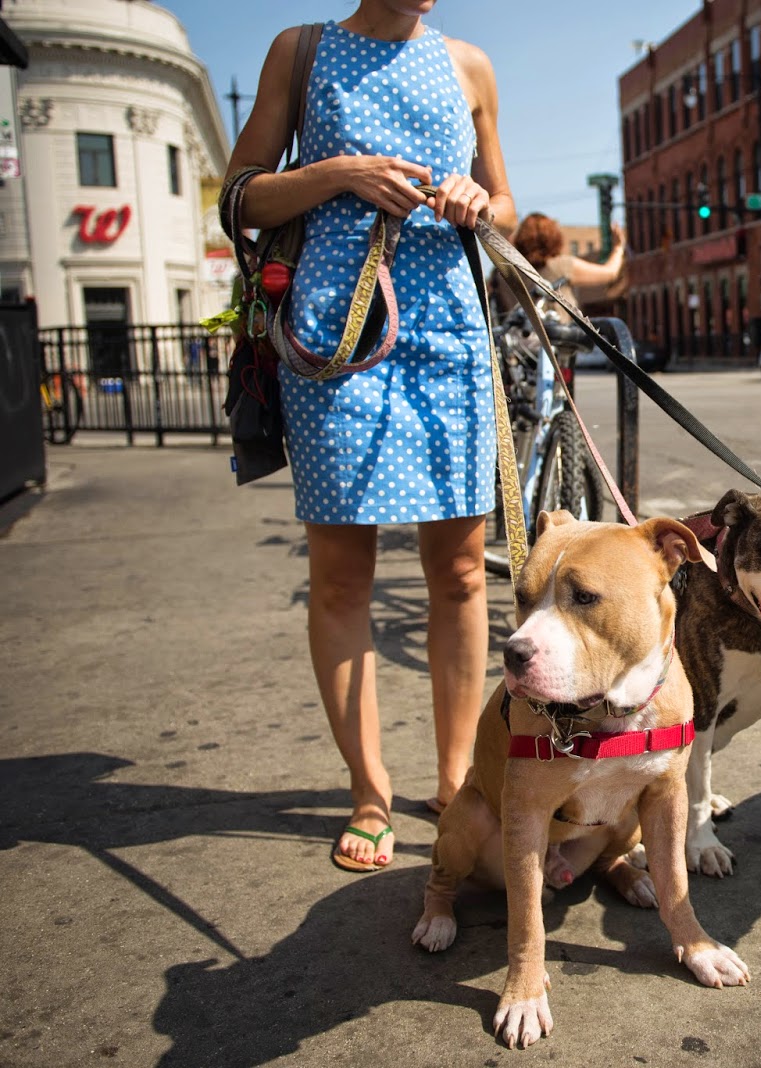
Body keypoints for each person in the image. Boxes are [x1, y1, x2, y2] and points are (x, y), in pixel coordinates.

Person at [225, 0, 515, 873]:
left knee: (463, 571)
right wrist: (338, 173)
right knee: (343, 575)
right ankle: (369, 789)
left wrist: (478, 200)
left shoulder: (469, 64)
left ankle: (460, 777)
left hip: (451, 334)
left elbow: (505, 203)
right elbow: (240, 193)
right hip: (336, 340)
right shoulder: (301, 51)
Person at [497, 212, 625, 326]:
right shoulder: (562, 266)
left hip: (519, 343)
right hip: (558, 343)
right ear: (553, 238)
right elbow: (610, 273)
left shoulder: (507, 271)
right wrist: (618, 248)